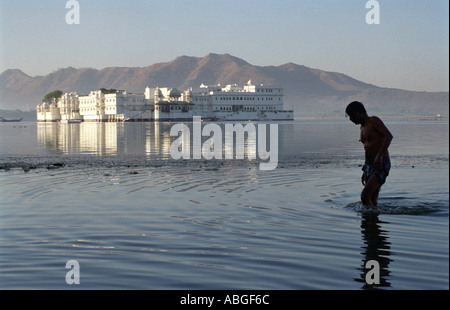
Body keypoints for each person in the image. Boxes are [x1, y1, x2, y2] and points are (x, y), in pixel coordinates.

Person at [345, 101, 393, 207]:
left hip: (380, 163)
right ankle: (373, 221)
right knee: (372, 198)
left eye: (353, 115)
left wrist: (379, 156)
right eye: (349, 116)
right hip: (370, 164)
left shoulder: (373, 121)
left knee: (365, 196)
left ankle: (369, 220)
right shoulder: (362, 127)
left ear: (361, 112)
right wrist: (365, 168)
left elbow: (388, 136)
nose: (351, 119)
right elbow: (367, 148)